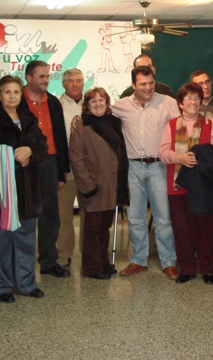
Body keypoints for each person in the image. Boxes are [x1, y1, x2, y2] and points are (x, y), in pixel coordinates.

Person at [0, 75, 47, 303]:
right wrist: (16, 157)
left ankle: (27, 283)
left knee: (26, 239)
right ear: (0, 94)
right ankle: (3, 286)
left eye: (16, 92)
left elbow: (41, 144)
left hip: (26, 191)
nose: (12, 96)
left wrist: (31, 152)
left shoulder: (28, 118)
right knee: (1, 242)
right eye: (7, 92)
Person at [112, 65, 180, 279]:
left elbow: (185, 123)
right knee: (135, 217)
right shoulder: (120, 106)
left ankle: (168, 261)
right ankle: (138, 260)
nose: (148, 87)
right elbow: (97, 114)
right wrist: (78, 118)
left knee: (163, 218)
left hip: (159, 166)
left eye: (151, 83)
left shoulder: (168, 103)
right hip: (132, 167)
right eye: (143, 84)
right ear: (133, 85)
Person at [158, 82, 213, 285]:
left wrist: (201, 156)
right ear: (180, 103)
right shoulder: (171, 125)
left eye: (197, 98)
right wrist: (180, 158)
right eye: (189, 99)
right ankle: (187, 268)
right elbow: (161, 152)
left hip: (204, 186)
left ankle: (206, 269)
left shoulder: (209, 123)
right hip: (177, 185)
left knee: (204, 228)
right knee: (181, 228)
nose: (194, 102)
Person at [70, 87, 129, 279]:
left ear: (107, 102)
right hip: (94, 185)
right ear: (86, 106)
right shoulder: (81, 125)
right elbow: (76, 159)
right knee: (92, 228)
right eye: (93, 101)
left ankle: (103, 263)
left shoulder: (114, 122)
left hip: (112, 184)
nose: (98, 104)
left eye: (101, 100)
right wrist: (88, 186)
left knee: (104, 227)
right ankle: (91, 268)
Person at [19, 60, 71, 279]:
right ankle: (23, 265)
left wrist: (62, 171)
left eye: (47, 76)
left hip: (50, 162)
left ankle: (49, 262)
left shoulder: (53, 102)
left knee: (51, 214)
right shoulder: (17, 100)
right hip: (24, 163)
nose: (46, 80)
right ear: (29, 78)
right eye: (41, 76)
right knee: (25, 215)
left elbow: (60, 137)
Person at [57, 68, 85, 268]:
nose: (75, 84)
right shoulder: (54, 105)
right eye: (70, 81)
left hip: (88, 170)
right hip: (65, 169)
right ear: (63, 84)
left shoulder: (93, 103)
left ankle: (88, 252)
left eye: (78, 80)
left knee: (89, 214)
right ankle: (64, 254)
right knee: (63, 214)